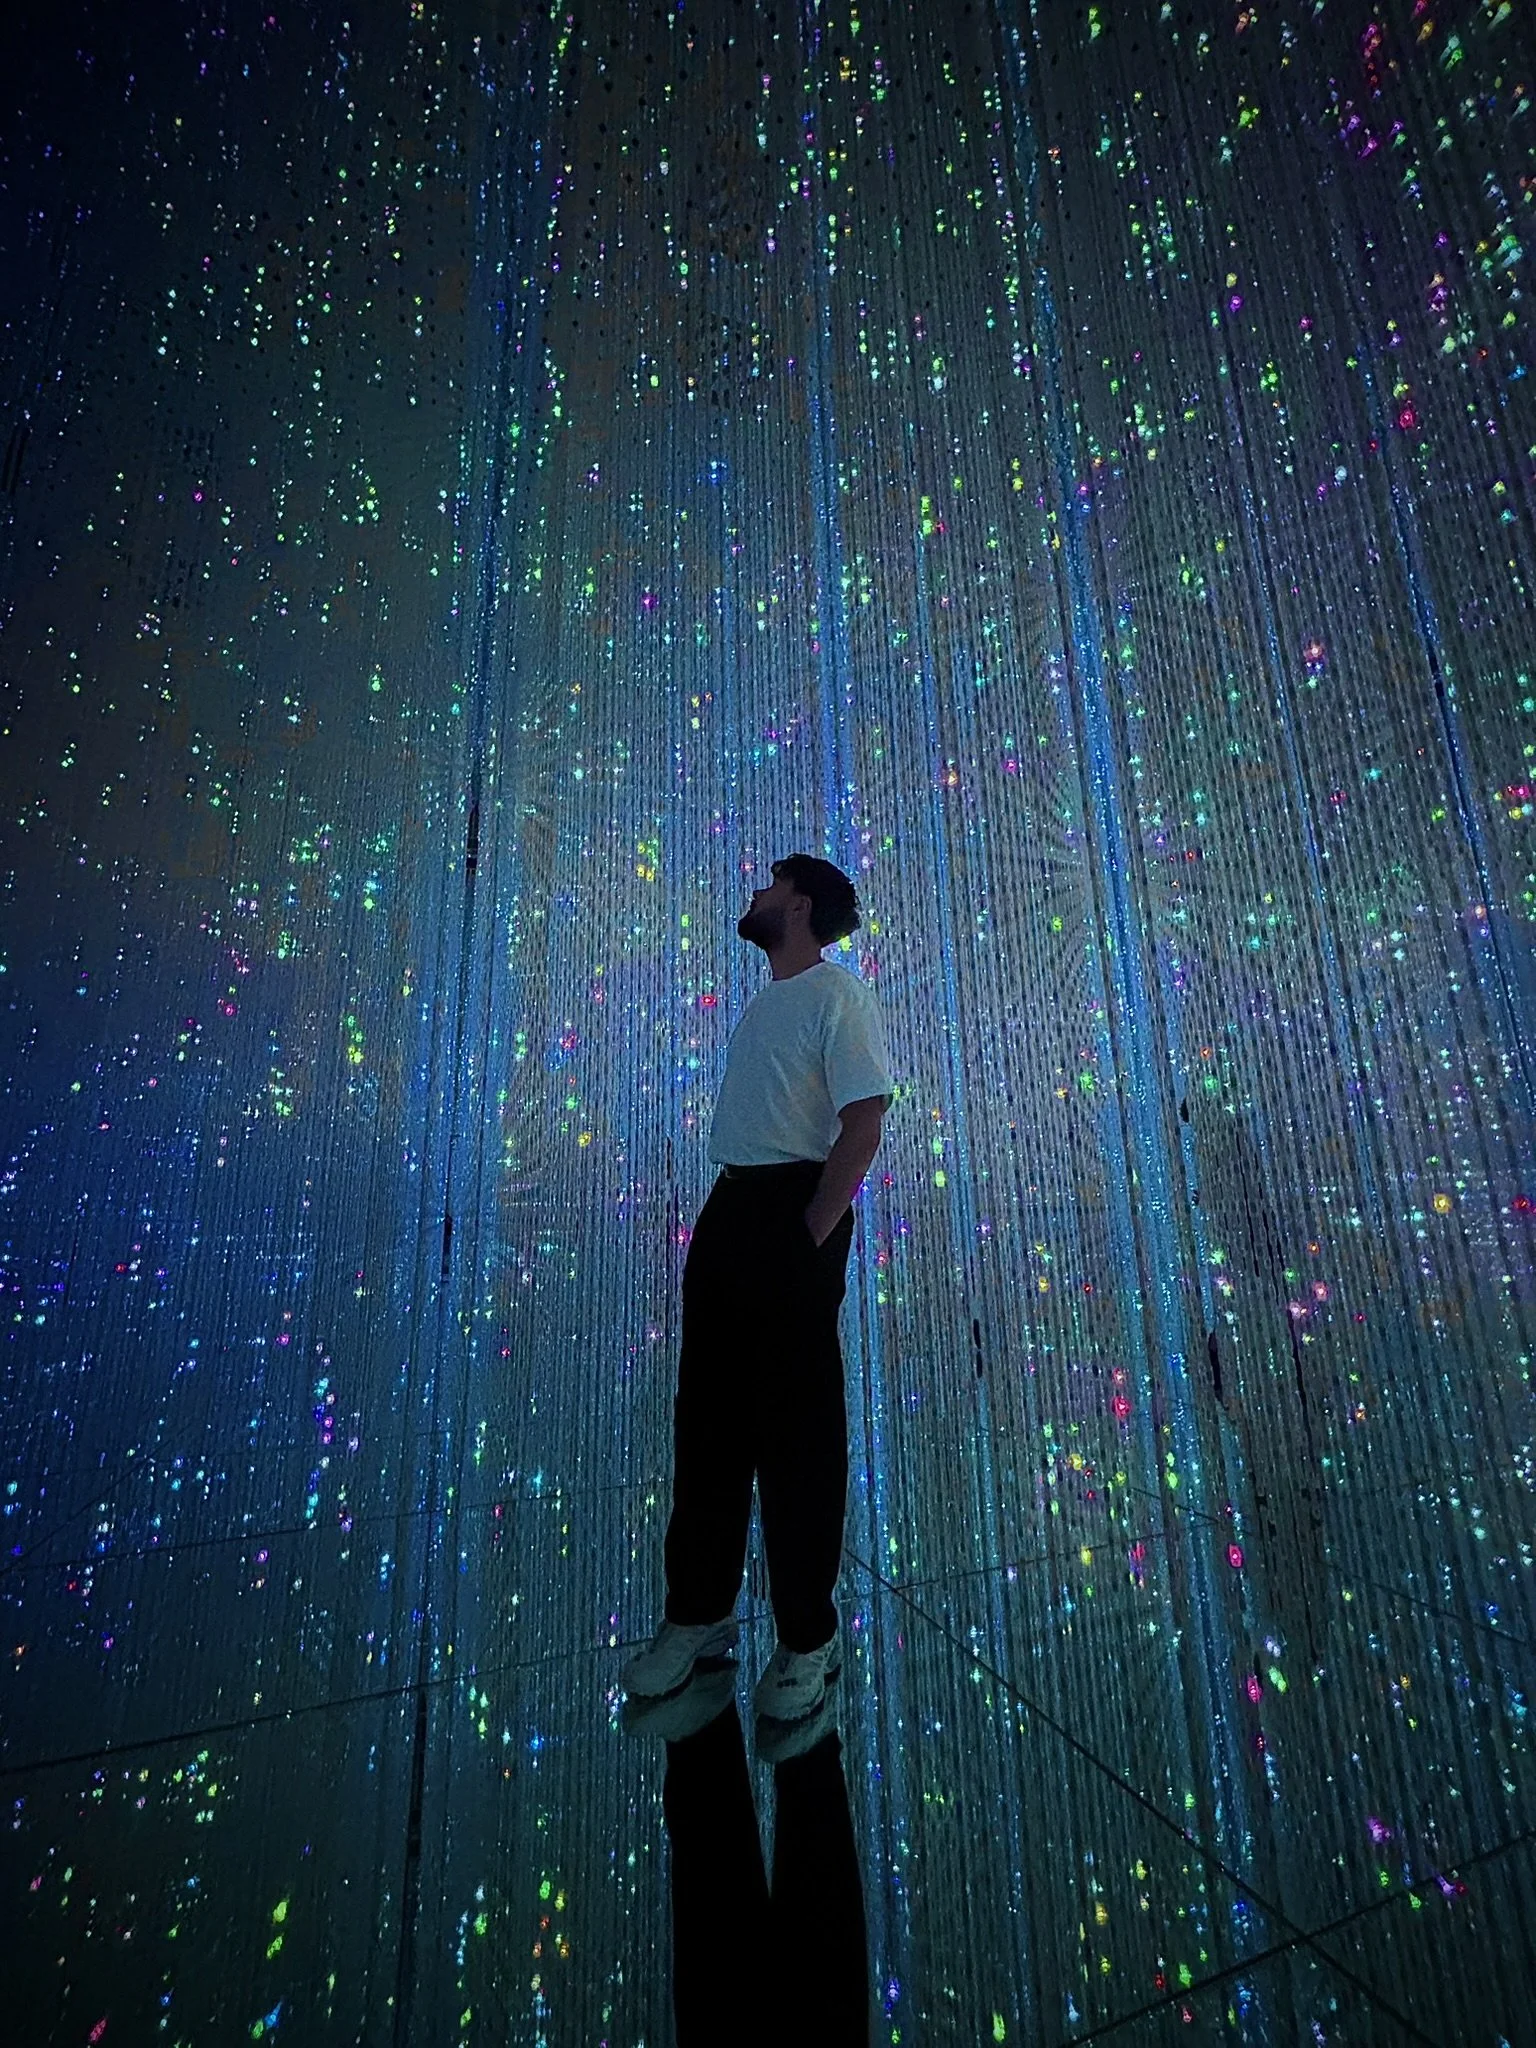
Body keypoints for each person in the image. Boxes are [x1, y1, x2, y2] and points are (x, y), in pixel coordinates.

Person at [621, 854, 894, 1726]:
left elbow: (865, 1122)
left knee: (797, 1439)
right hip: (732, 1207)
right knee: (706, 1425)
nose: (753, 893)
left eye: (768, 884)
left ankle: (809, 1640)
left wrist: (810, 1232)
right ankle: (697, 1617)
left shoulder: (838, 996)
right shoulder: (764, 1001)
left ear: (800, 903)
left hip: (787, 1209)